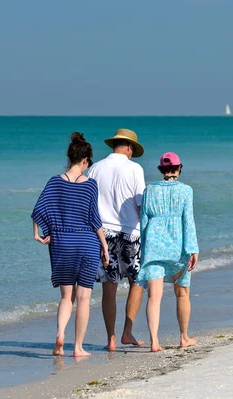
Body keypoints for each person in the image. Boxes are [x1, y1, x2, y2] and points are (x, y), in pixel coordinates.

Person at [31, 132, 109, 357]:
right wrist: (104, 246)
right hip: (86, 243)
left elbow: (39, 209)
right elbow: (95, 219)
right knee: (84, 298)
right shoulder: (90, 185)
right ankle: (78, 347)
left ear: (70, 158)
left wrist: (38, 234)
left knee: (66, 297)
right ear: (84, 160)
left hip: (62, 243)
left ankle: (60, 336)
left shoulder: (55, 181)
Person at [88, 128, 146, 351]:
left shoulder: (95, 168)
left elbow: (89, 203)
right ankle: (127, 333)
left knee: (109, 286)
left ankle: (110, 338)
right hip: (131, 231)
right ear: (130, 147)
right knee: (137, 281)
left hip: (103, 233)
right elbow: (140, 205)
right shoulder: (134, 169)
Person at [136, 152, 199, 352]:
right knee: (182, 293)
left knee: (154, 296)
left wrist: (144, 249)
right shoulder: (186, 190)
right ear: (179, 168)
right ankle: (184, 337)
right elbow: (188, 220)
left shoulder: (149, 190)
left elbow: (143, 221)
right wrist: (193, 249)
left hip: (154, 247)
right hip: (178, 247)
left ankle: (154, 342)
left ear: (161, 170)